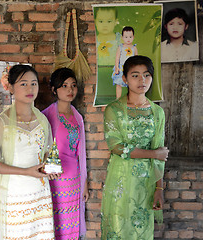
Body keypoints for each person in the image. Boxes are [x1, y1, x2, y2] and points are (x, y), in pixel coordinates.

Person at [0, 65, 56, 239]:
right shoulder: (1, 123)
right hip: (14, 197)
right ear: (11, 88)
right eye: (23, 84)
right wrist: (26, 172)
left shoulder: (43, 119)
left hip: (40, 194)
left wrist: (50, 167)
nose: (30, 88)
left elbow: (48, 151)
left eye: (34, 83)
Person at [101, 56, 169, 239]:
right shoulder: (113, 109)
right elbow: (116, 147)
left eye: (147, 75)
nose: (142, 80)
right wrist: (154, 153)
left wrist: (159, 190)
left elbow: (160, 158)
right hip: (120, 181)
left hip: (145, 184)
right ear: (125, 79)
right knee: (118, 230)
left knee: (141, 232)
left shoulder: (157, 113)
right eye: (135, 75)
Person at [42, 68, 89, 239]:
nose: (70, 90)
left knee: (71, 224)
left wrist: (84, 182)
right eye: (64, 86)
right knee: (55, 223)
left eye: (73, 85)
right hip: (54, 179)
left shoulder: (77, 117)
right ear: (54, 90)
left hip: (74, 178)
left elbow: (81, 154)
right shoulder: (46, 116)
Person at [112, 26, 138, 99]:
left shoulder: (134, 48)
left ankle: (130, 98)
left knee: (130, 84)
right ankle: (118, 98)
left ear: (133, 37)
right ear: (122, 38)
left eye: (130, 37)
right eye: (126, 37)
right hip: (121, 67)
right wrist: (117, 67)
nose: (128, 39)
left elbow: (136, 58)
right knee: (118, 83)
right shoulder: (120, 47)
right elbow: (117, 58)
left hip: (130, 68)